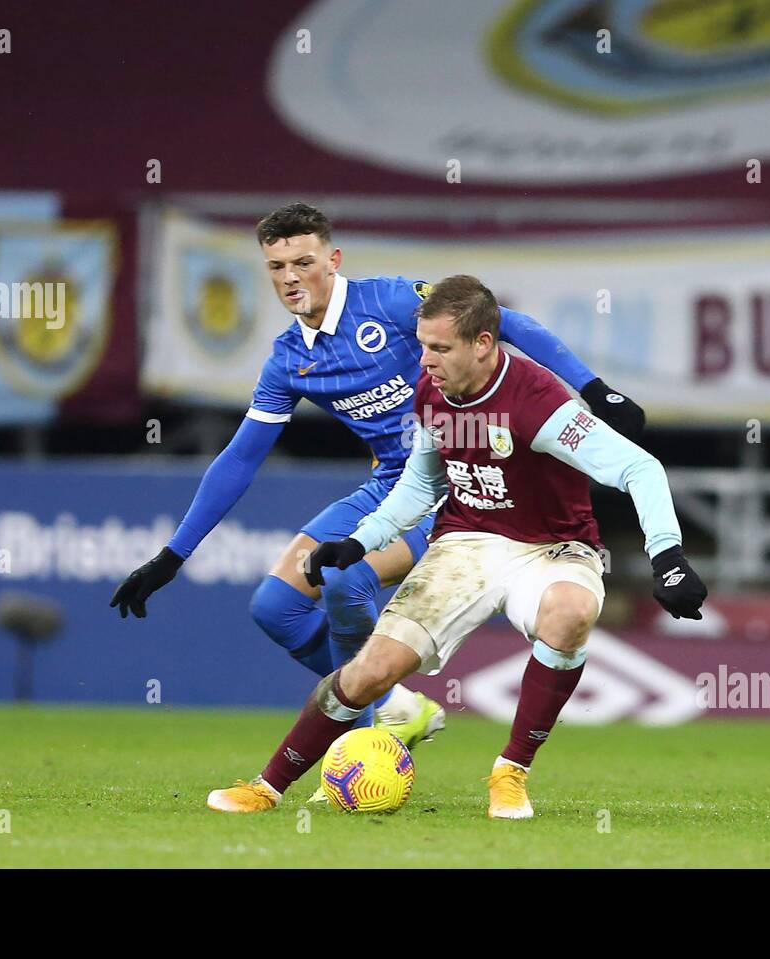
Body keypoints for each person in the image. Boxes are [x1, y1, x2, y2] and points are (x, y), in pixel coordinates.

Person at [110, 203, 646, 750]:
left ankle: (358, 748)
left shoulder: (388, 302)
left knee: (345, 578)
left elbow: (506, 323)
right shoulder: (289, 360)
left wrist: (593, 387)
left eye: (303, 261)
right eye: (276, 267)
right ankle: (395, 706)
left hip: (451, 484)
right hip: (388, 482)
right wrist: (173, 554)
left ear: (333, 259)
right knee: (276, 607)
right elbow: (240, 458)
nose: (291, 278)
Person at [205, 274, 706, 818]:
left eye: (440, 348)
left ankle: (510, 773)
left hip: (552, 548)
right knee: (369, 673)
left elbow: (639, 466)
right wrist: (360, 541)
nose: (425, 360)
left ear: (483, 344)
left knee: (571, 612)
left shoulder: (539, 401)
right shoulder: (430, 393)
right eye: (422, 345)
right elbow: (422, 485)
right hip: (464, 543)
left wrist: (668, 557)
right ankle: (268, 786)